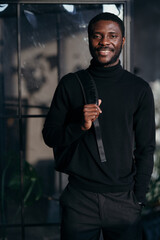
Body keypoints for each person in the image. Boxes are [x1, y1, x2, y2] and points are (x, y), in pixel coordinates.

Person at [42, 12, 155, 240]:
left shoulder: (139, 89)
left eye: (112, 36)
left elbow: (145, 148)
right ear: (89, 39)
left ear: (122, 41)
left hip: (124, 200)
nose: (105, 41)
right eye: (97, 36)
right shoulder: (70, 84)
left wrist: (139, 197)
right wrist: (80, 125)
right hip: (79, 200)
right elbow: (50, 136)